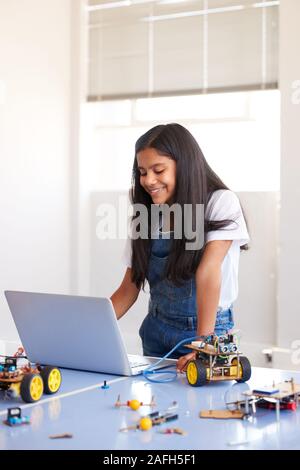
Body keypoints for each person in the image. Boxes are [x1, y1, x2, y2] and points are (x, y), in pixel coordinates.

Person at [110, 123, 249, 372]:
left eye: (158, 170)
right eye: (142, 172)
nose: (148, 180)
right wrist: (83, 332)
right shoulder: (148, 214)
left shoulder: (220, 202)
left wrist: (203, 346)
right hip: (156, 331)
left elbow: (208, 271)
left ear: (183, 166)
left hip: (207, 330)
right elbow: (127, 290)